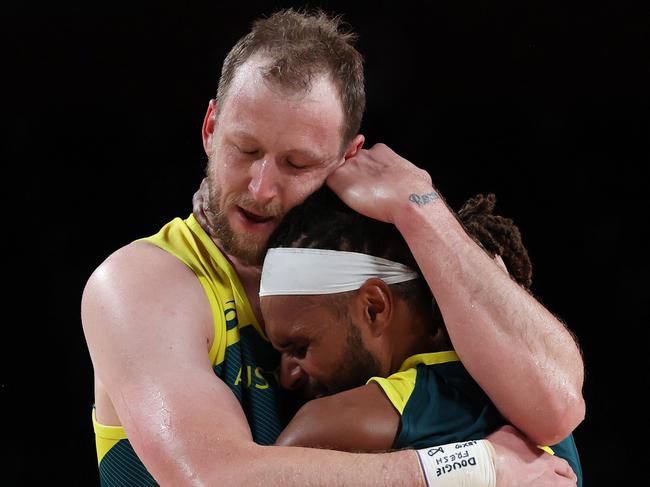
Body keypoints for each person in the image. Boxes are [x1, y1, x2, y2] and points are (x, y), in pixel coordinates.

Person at [81, 8, 585, 486]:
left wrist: (422, 208)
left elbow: (558, 407)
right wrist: (470, 469)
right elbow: (209, 478)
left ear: (348, 158)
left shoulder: (399, 254)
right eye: (246, 149)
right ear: (211, 129)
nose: (260, 188)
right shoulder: (143, 282)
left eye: (296, 164)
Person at [258, 188, 582, 485]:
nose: (288, 375)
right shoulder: (535, 406)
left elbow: (270, 477)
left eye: (299, 347)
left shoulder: (324, 427)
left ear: (374, 308)